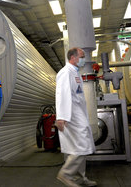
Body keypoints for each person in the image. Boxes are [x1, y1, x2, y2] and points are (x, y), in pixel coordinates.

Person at [55, 47, 97, 187]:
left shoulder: (75, 72)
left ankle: (80, 178)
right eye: (82, 56)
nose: (84, 59)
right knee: (82, 144)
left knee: (74, 147)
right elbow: (62, 94)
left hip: (77, 113)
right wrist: (61, 117)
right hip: (71, 114)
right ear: (73, 58)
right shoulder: (65, 72)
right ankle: (66, 174)